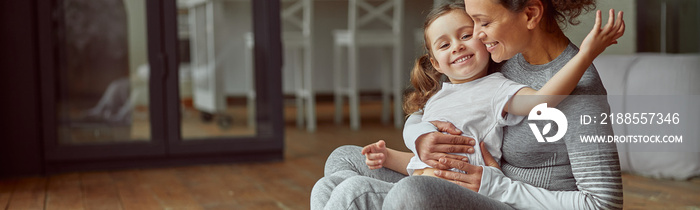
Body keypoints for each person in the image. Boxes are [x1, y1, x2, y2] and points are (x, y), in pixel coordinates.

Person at [312, 1, 624, 209]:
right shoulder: (501, 54)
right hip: (457, 180)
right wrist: (420, 136)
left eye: (481, 22)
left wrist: (498, 186)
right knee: (346, 160)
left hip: (507, 199)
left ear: (530, 15)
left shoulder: (581, 90)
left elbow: (601, 204)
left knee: (382, 194)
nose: (475, 36)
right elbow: (442, 105)